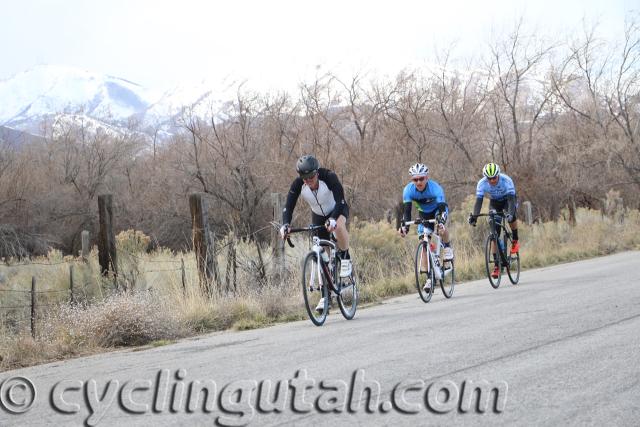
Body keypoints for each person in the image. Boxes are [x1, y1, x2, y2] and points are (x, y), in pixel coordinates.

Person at [280, 155, 352, 311]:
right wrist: (285, 224)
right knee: (320, 253)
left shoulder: (329, 176)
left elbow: (340, 199)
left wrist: (333, 218)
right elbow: (288, 206)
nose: (308, 180)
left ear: (317, 172)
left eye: (311, 176)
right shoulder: (298, 184)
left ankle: (345, 257)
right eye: (304, 177)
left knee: (338, 227)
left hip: (337, 209)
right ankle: (326, 295)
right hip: (318, 216)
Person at [398, 163, 453, 292]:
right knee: (423, 241)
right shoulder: (408, 190)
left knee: (440, 227)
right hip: (424, 213)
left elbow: (441, 206)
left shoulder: (435, 188)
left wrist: (441, 221)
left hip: (438, 210)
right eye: (415, 179)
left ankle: (447, 247)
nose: (418, 182)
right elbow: (407, 212)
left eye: (421, 179)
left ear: (426, 177)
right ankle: (429, 278)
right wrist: (405, 227)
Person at [468, 162, 520, 278]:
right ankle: (497, 266)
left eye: (494, 178)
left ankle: (515, 239)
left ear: (498, 175)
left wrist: (510, 214)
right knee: (494, 233)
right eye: (489, 178)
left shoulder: (506, 180)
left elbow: (512, 200)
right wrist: (474, 217)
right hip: (495, 203)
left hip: (508, 200)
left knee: (511, 217)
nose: (492, 181)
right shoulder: (481, 183)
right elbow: (479, 202)